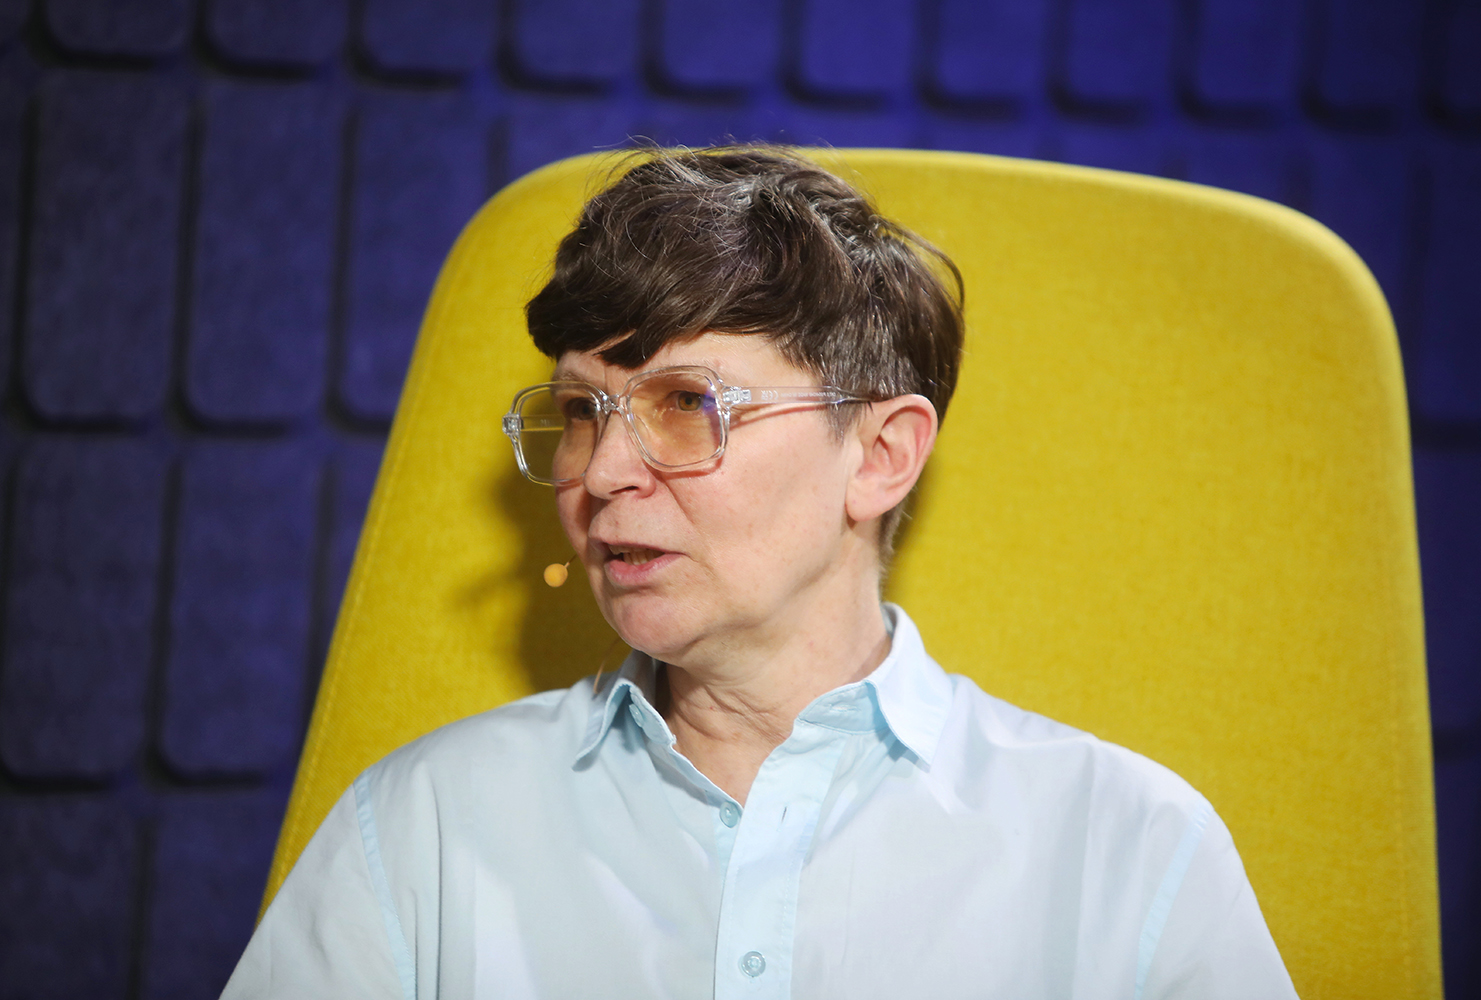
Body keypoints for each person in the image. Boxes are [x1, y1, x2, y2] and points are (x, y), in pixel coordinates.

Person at [222, 147, 1299, 999]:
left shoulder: (1125, 848)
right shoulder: (423, 824)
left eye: (688, 404)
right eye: (582, 411)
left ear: (879, 456)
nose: (601, 471)